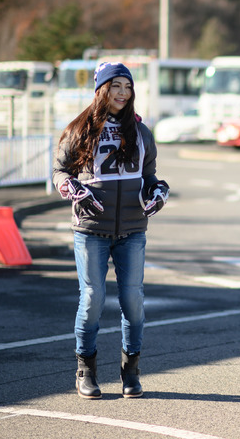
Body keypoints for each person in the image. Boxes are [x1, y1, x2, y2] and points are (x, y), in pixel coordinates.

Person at [52, 62, 169, 399]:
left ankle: (130, 372)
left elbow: (150, 176)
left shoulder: (141, 132)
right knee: (92, 300)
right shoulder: (80, 129)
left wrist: (158, 191)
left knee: (133, 301)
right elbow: (60, 171)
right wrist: (72, 188)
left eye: (127, 87)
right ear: (101, 89)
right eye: (115, 85)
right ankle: (84, 371)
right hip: (90, 228)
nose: (122, 92)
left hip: (133, 228)